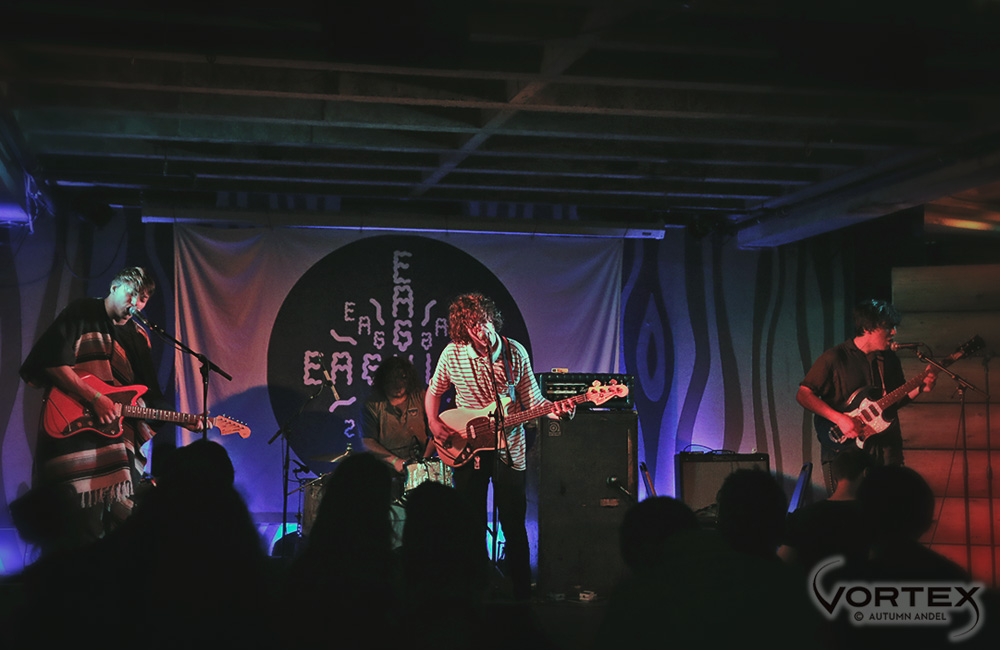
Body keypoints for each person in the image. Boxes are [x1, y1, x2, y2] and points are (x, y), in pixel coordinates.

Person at [18, 267, 184, 546]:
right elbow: (50, 361)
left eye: (143, 299)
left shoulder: (139, 336)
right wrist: (96, 398)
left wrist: (184, 420)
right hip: (74, 428)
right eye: (132, 293)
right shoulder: (82, 312)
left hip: (117, 436)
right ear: (114, 288)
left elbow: (146, 393)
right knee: (79, 520)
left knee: (119, 521)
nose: (136, 303)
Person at [424, 292, 573, 601]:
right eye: (473, 326)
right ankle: (473, 588)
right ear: (462, 329)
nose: (481, 331)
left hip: (509, 447)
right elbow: (433, 393)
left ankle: (521, 595)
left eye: (484, 322)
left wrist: (553, 407)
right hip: (466, 445)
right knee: (470, 520)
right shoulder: (452, 354)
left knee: (513, 520)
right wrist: (434, 424)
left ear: (493, 320)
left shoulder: (514, 352)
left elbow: (532, 400)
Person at [796, 299, 936, 492]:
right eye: (888, 327)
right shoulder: (835, 357)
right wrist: (840, 419)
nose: (894, 333)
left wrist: (920, 388)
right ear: (869, 328)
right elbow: (804, 395)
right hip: (846, 455)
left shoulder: (889, 360)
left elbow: (892, 403)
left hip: (885, 452)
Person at [361, 355, 434, 499]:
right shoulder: (372, 404)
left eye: (403, 378)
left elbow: (436, 434)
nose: (398, 383)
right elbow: (368, 442)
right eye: (393, 379)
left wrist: (423, 462)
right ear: (384, 380)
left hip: (422, 465)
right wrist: (395, 461)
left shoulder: (421, 396)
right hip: (386, 469)